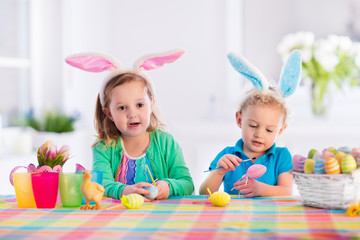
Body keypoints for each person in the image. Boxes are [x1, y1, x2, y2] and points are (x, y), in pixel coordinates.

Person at [66, 49, 194, 200]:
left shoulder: (167, 143)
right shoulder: (103, 147)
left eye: (139, 105)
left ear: (151, 105)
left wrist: (169, 186)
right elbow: (102, 184)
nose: (132, 114)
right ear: (109, 114)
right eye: (122, 108)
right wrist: (124, 190)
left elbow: (187, 183)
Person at [200, 50, 302, 197]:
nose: (259, 134)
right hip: (233, 217)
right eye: (253, 126)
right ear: (240, 120)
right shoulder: (228, 155)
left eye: (269, 130)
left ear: (280, 130)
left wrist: (260, 189)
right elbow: (204, 193)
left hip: (269, 219)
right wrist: (219, 171)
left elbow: (286, 192)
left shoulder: (281, 156)